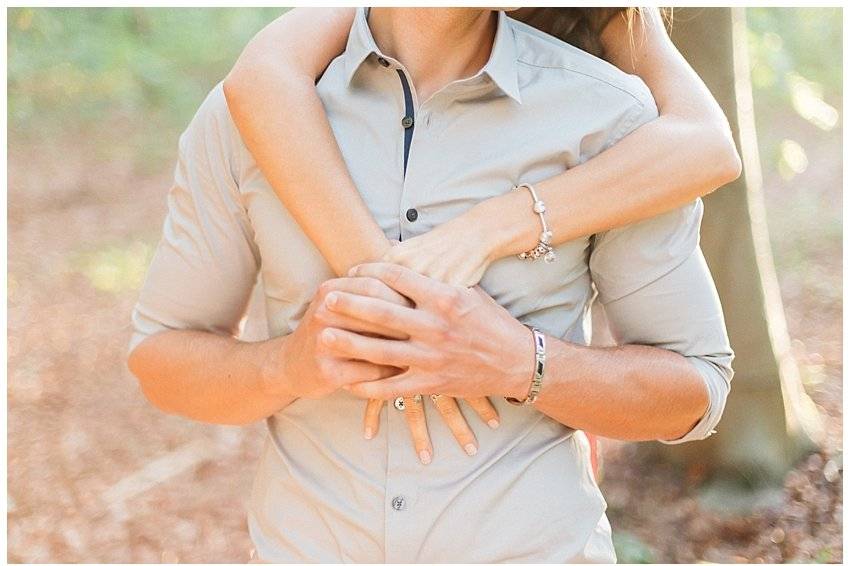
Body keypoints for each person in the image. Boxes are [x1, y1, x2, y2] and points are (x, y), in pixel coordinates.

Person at [127, 8, 734, 562]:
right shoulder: (249, 114)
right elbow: (163, 360)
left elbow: (695, 390)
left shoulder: (610, 119)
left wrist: (522, 363)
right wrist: (291, 364)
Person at [222, 7, 742, 461]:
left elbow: (708, 145)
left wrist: (493, 228)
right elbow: (261, 75)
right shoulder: (370, 27)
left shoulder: (613, 32)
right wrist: (401, 305)